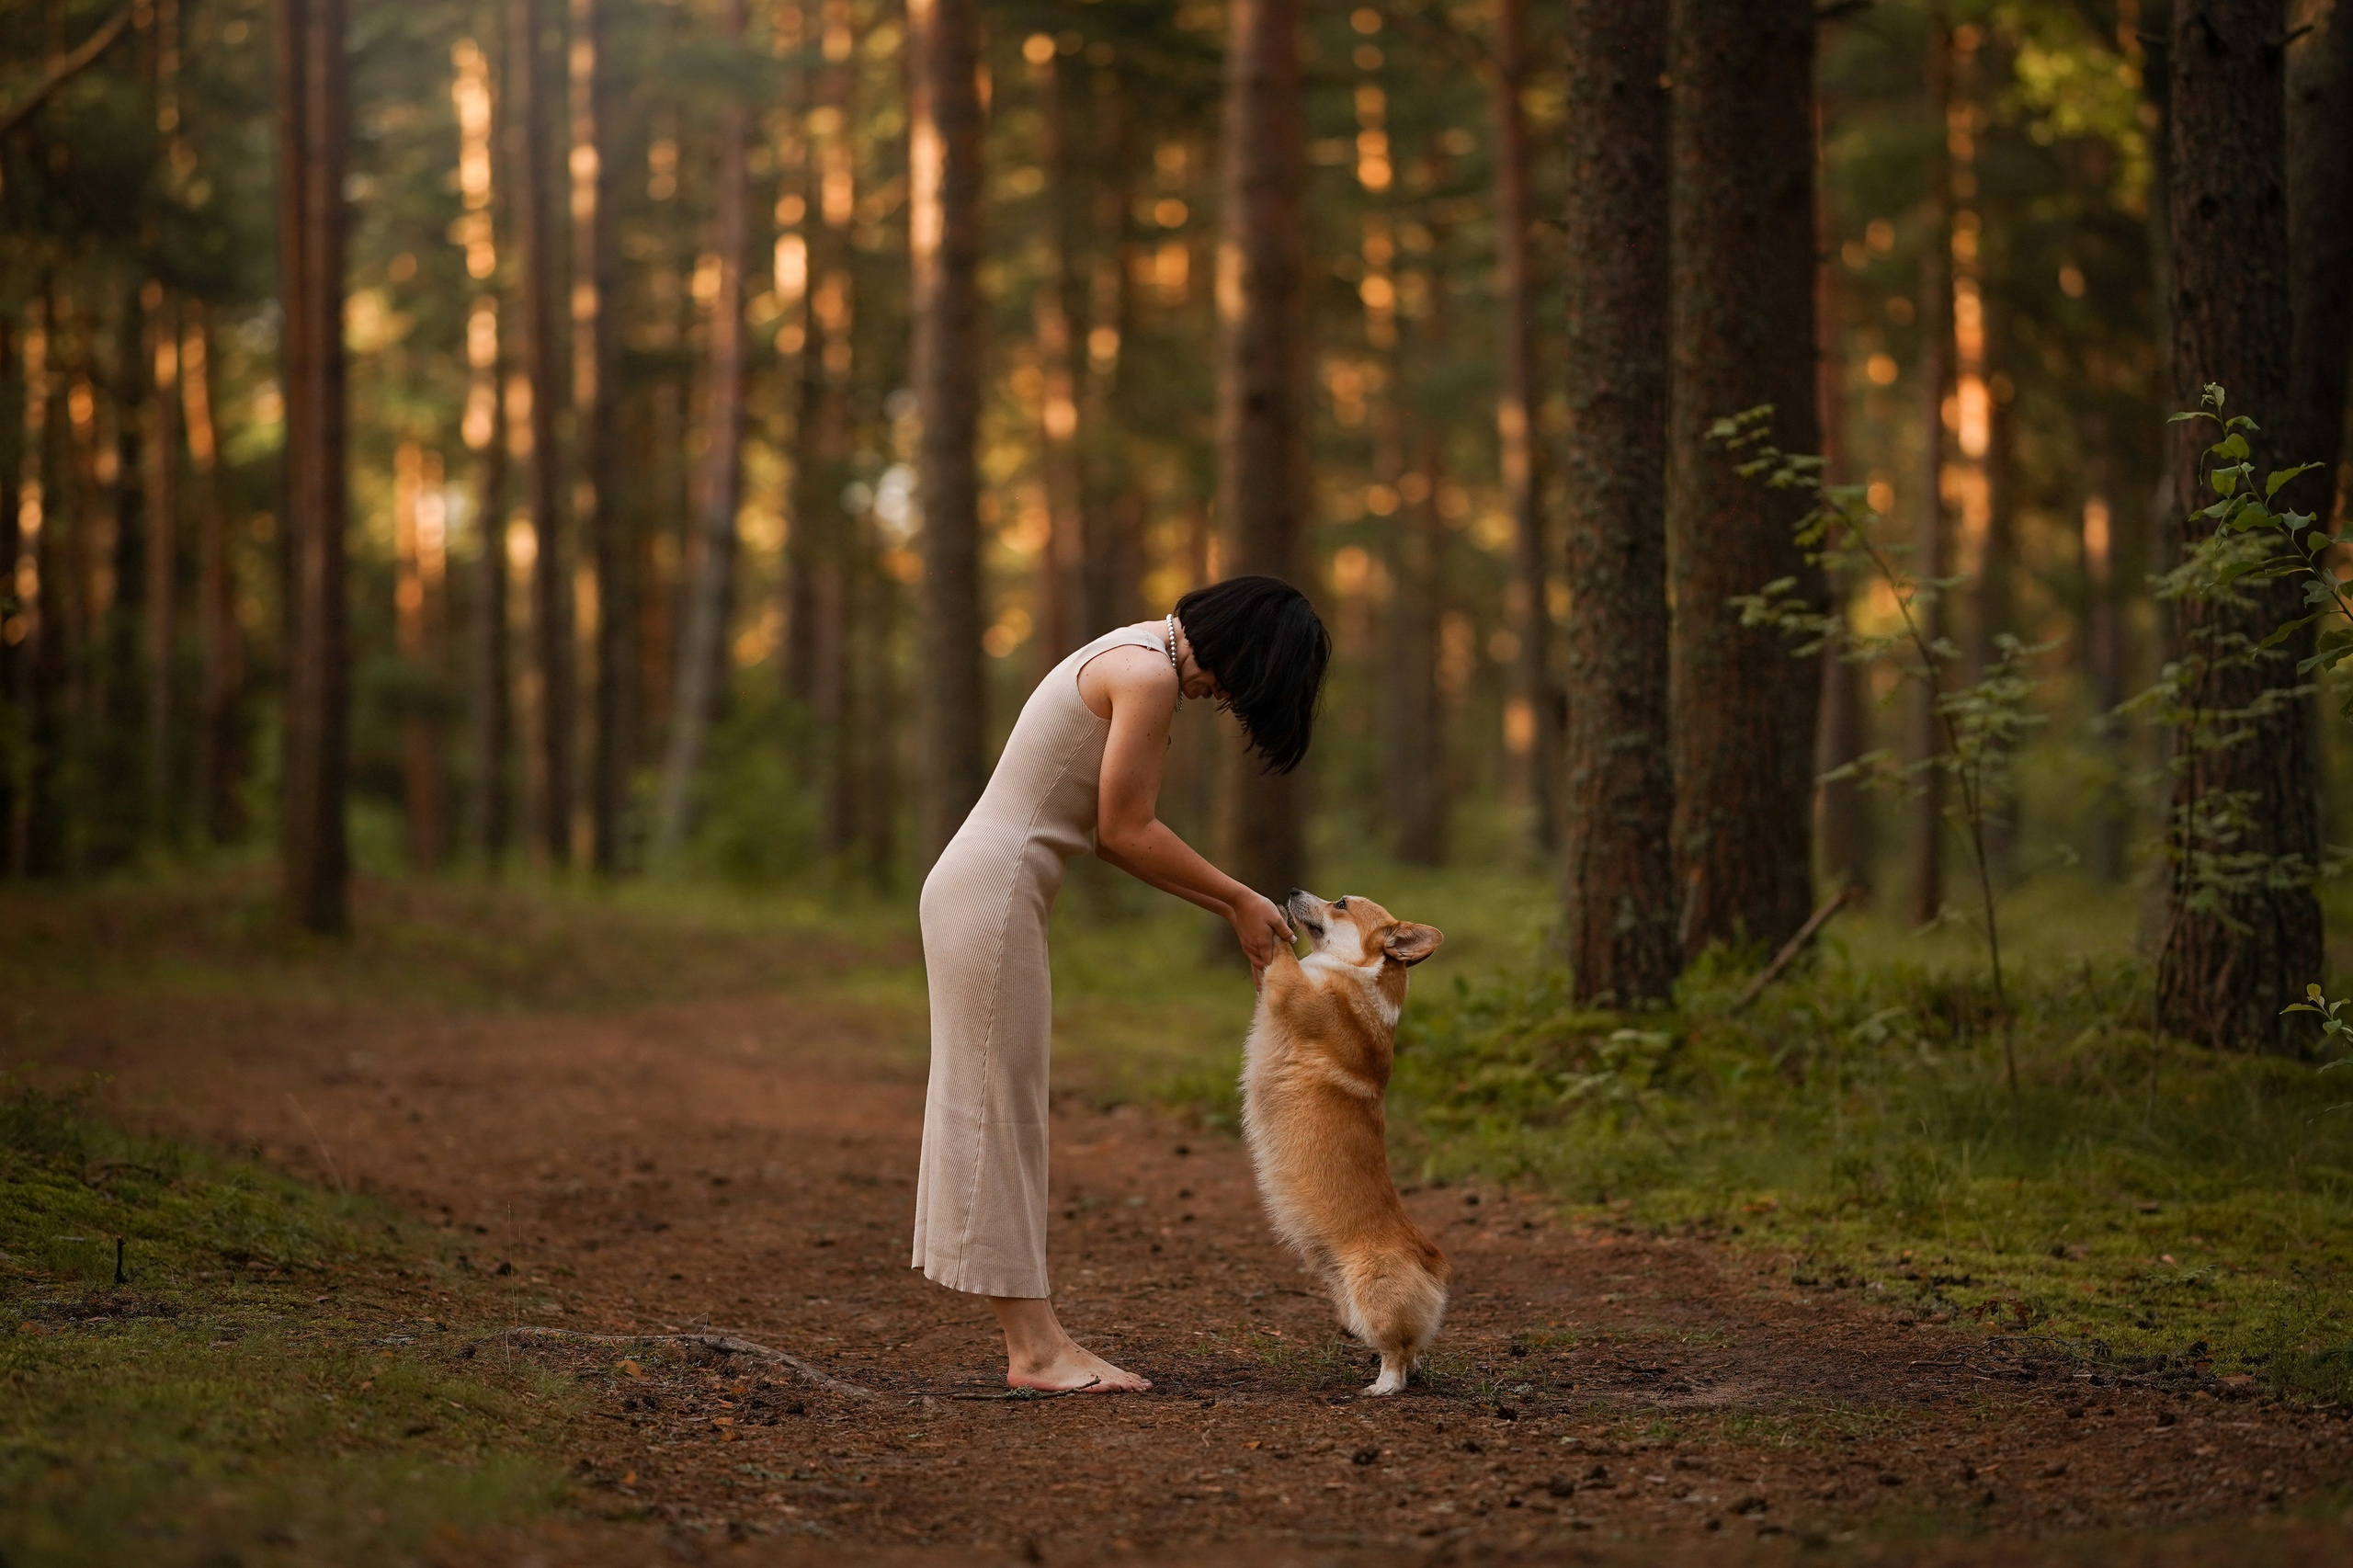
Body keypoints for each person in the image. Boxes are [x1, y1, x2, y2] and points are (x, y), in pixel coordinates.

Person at [911, 574, 1331, 1392]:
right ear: (1238, 644)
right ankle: (1035, 1353)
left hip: (983, 888)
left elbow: (1109, 835)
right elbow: (1126, 830)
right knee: (1001, 1107)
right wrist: (1240, 897)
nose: (1222, 698)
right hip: (990, 894)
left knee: (995, 1099)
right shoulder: (1144, 675)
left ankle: (1032, 1343)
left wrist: (1229, 907)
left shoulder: (1131, 650)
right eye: (1242, 681)